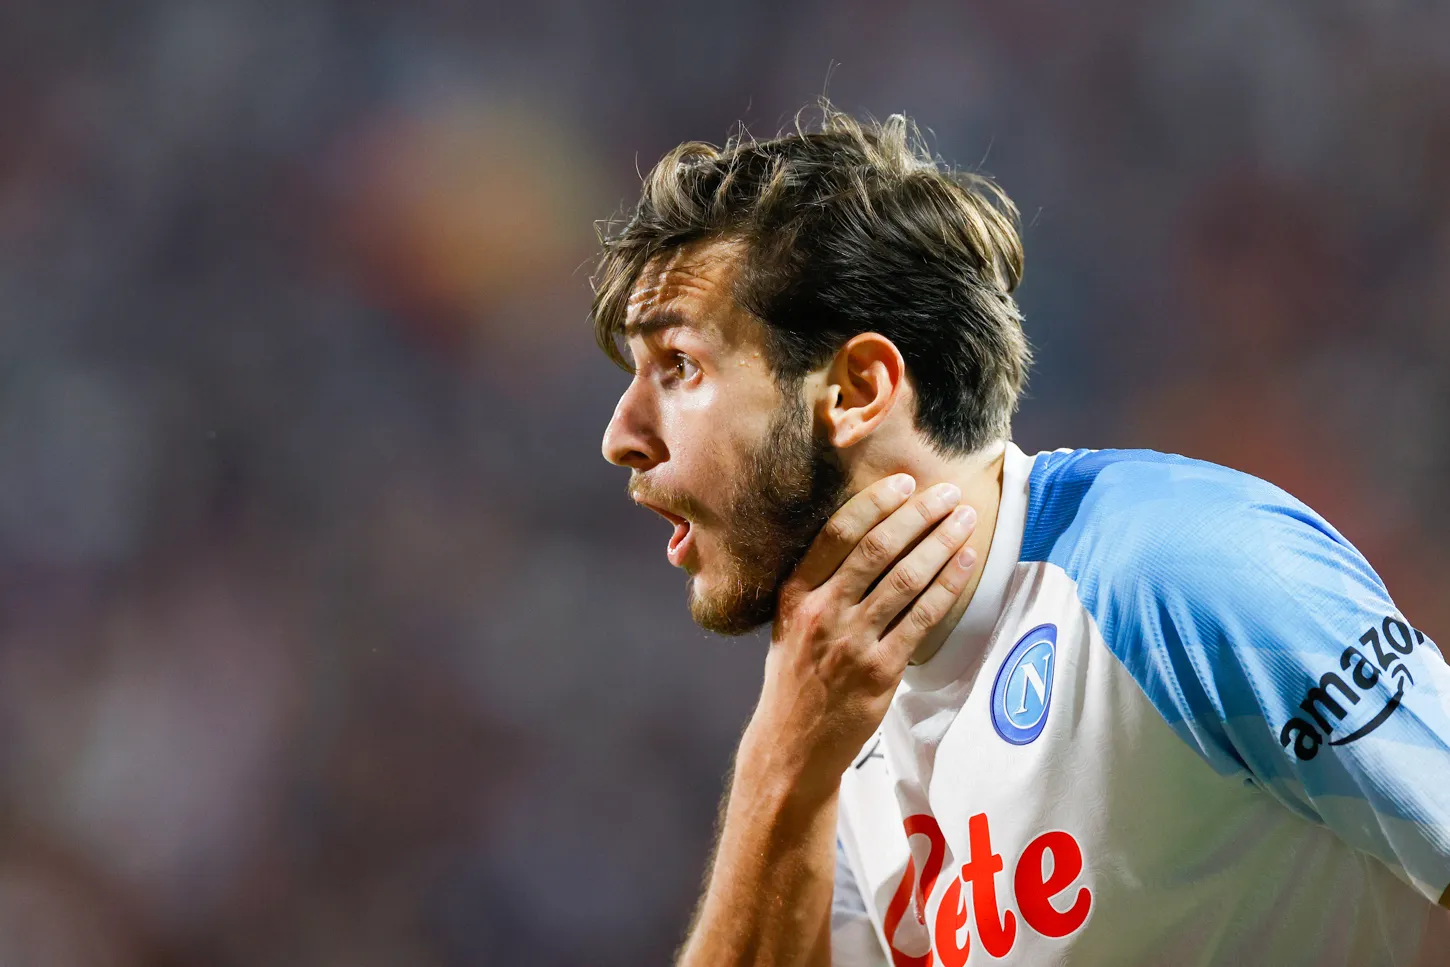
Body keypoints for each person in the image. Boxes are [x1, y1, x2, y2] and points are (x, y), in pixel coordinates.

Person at [592, 104, 1450, 967]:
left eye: (679, 366)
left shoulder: (1182, 573)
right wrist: (781, 762)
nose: (620, 434)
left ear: (857, 389)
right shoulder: (827, 701)